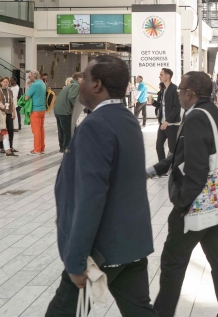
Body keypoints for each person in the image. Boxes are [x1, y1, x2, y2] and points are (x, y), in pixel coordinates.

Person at [45, 55, 155, 316]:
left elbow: (90, 198)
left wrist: (76, 260)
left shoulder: (96, 125)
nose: (80, 82)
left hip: (101, 252)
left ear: (97, 85)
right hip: (132, 244)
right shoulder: (126, 119)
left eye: (84, 77)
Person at [151, 71, 218, 317]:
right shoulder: (213, 113)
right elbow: (186, 155)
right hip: (215, 200)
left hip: (195, 203)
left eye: (180, 90)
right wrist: (156, 168)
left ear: (189, 93)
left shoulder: (196, 118)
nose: (178, 94)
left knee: (172, 262)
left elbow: (196, 168)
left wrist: (181, 203)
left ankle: (162, 313)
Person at [153, 68, 180, 169]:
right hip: (162, 123)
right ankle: (163, 167)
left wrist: (167, 120)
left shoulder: (174, 89)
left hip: (171, 124)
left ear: (168, 76)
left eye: (161, 74)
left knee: (172, 148)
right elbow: (163, 105)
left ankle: (174, 166)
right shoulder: (163, 90)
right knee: (159, 146)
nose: (159, 76)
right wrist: (154, 103)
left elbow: (176, 107)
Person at [54, 73, 83, 153]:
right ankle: (67, 148)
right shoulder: (76, 85)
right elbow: (72, 97)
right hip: (65, 111)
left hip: (58, 109)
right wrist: (76, 107)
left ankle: (62, 147)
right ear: (79, 78)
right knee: (68, 131)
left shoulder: (69, 85)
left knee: (61, 130)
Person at [25, 70, 47, 155]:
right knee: (41, 129)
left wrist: (30, 86)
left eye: (30, 76)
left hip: (35, 110)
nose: (29, 77)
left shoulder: (35, 85)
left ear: (34, 76)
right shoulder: (42, 83)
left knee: (36, 130)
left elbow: (26, 97)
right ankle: (41, 147)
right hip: (42, 109)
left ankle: (37, 149)